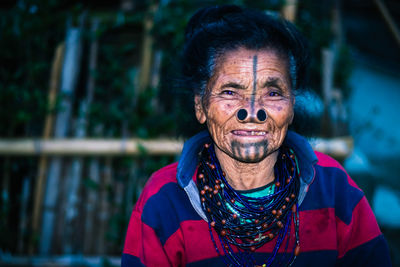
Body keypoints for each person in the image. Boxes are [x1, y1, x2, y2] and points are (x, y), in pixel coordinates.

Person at [122, 5, 391, 267]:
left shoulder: (333, 188)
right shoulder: (164, 199)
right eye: (230, 92)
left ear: (292, 106)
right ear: (200, 106)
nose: (252, 112)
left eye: (272, 93)